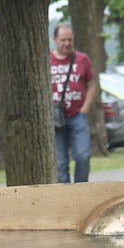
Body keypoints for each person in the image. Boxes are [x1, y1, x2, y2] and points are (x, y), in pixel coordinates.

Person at [50, 23, 96, 183]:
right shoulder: (47, 60)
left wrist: (85, 108)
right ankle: (65, 199)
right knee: (60, 163)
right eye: (63, 40)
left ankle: (80, 190)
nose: (67, 43)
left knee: (83, 156)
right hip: (55, 118)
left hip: (78, 115)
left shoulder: (82, 59)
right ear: (54, 39)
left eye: (70, 39)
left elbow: (91, 85)